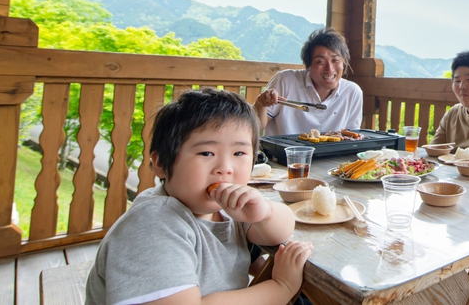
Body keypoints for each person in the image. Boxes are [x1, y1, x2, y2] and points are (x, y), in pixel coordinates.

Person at [85, 88, 313, 305]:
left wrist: (264, 213)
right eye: (207, 153)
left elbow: (281, 231)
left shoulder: (225, 208)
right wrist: (282, 286)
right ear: (161, 164)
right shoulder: (153, 223)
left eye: (239, 153)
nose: (225, 167)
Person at [254, 27, 363, 137]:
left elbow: (352, 136)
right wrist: (261, 104)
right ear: (308, 66)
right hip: (285, 153)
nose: (329, 69)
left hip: (333, 154)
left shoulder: (352, 92)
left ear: (343, 62)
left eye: (335, 60)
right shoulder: (286, 80)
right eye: (320, 62)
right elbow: (257, 127)